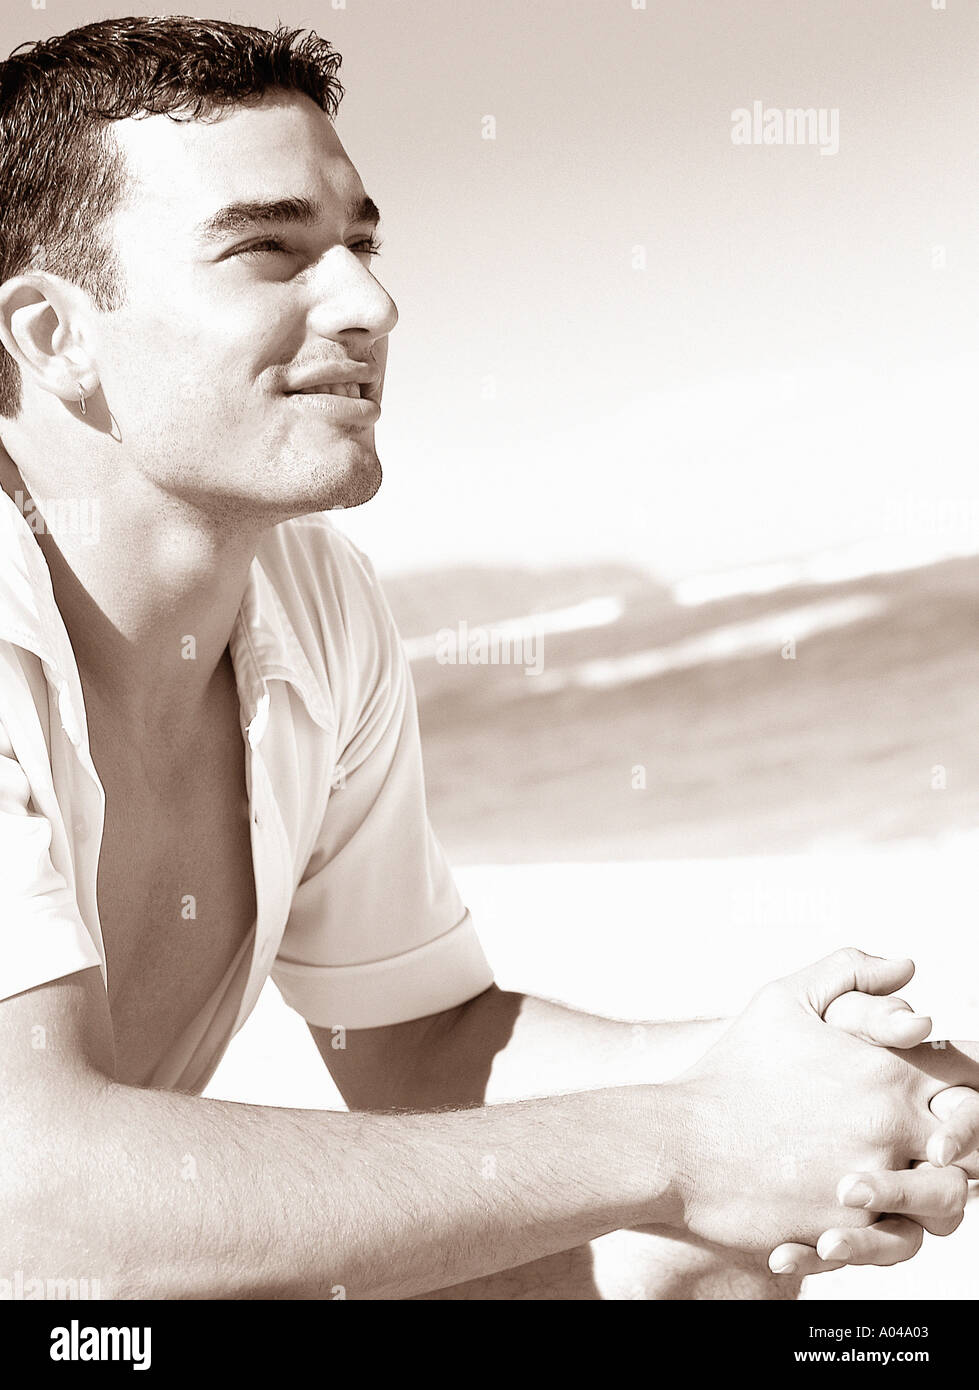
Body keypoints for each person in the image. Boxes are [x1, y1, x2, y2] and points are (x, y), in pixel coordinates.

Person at [0, 16, 975, 1301]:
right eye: (269, 249)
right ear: (54, 335)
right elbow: (37, 1201)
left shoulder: (312, 601)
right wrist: (689, 1139)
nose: (369, 301)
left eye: (359, 244)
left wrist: (780, 1068)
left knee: (703, 1256)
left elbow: (415, 1041)